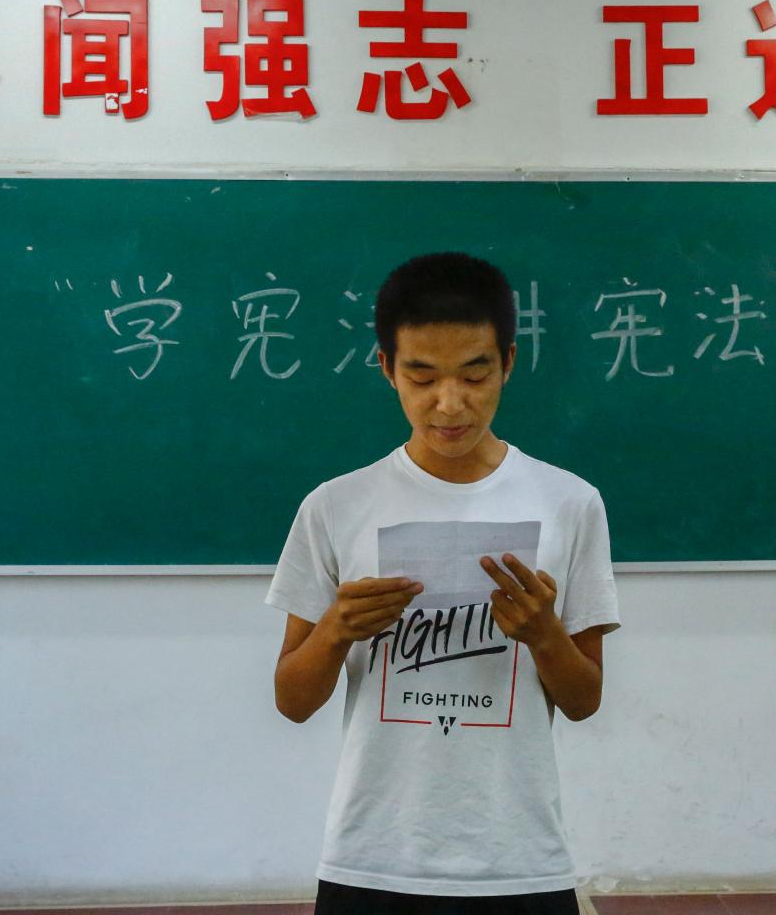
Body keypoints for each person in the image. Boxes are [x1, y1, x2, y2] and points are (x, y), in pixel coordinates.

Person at [265, 251, 621, 914]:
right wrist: (337, 629)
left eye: (475, 375)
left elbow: (584, 700)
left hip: (520, 860)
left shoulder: (569, 503)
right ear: (387, 368)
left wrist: (544, 635)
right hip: (373, 857)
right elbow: (292, 700)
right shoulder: (337, 506)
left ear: (508, 363)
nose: (449, 403)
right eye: (422, 376)